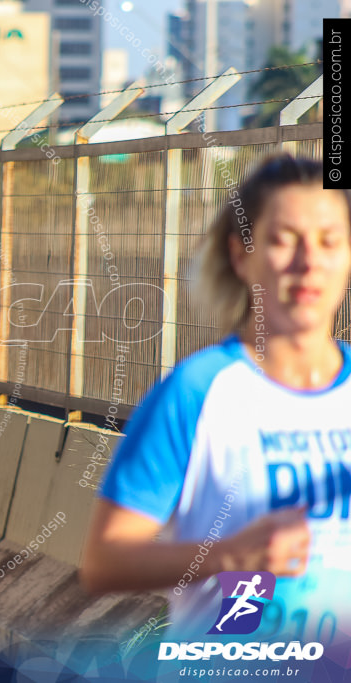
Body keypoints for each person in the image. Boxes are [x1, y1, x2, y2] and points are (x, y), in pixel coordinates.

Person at [80, 155, 351, 644]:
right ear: (241, 254)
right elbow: (104, 561)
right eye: (284, 239)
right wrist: (228, 555)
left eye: (330, 241)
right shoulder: (198, 391)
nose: (310, 261)